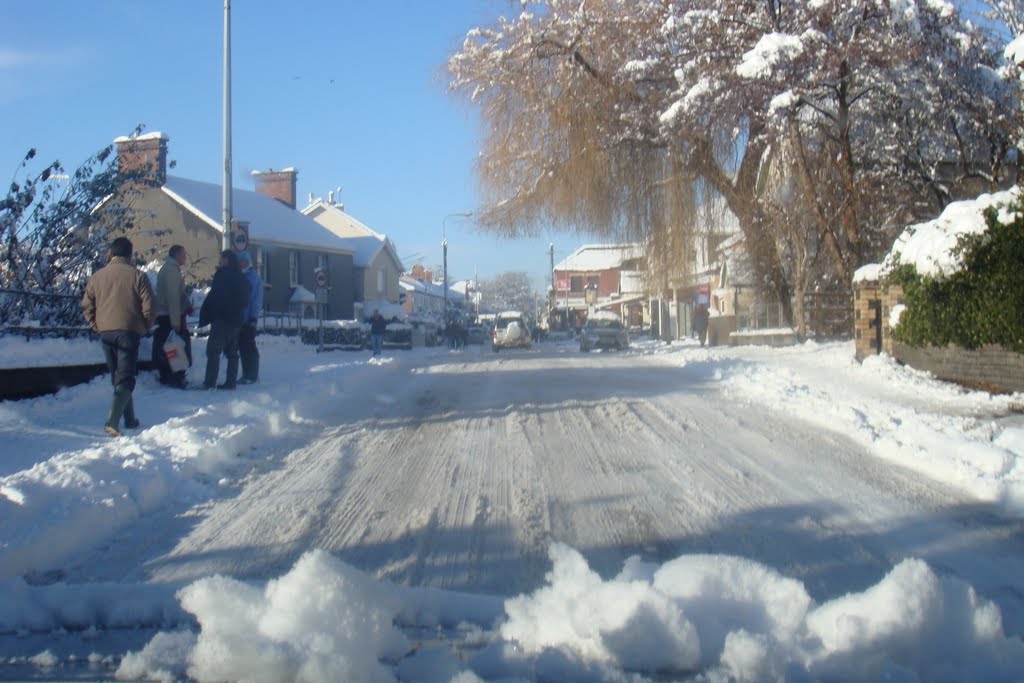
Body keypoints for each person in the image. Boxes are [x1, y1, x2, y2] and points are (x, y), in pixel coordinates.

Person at [81, 236, 156, 436]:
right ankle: (112, 421)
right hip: (129, 330)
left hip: (105, 331)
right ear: (130, 255)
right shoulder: (138, 276)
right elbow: (149, 306)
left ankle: (129, 419)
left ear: (111, 253)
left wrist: (95, 324)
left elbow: (87, 305)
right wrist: (145, 325)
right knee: (126, 375)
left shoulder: (97, 276)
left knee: (117, 376)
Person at [199, 250, 250, 389]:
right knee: (232, 352)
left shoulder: (222, 275)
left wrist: (211, 313)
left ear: (227, 260)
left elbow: (216, 296)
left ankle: (210, 382)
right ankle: (231, 381)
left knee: (214, 350)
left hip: (222, 318)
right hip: (237, 319)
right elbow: (245, 298)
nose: (219, 261)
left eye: (221, 259)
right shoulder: (241, 277)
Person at [153, 244, 191, 388]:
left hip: (166, 314)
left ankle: (169, 376)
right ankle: (175, 377)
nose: (185, 257)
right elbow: (173, 297)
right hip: (169, 315)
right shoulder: (172, 271)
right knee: (173, 345)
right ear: (176, 255)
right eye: (183, 254)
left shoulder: (170, 269)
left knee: (169, 345)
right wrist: (176, 321)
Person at [236, 251, 263, 384]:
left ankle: (252, 375)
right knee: (242, 347)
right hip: (238, 318)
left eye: (244, 261)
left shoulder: (254, 278)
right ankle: (246, 373)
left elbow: (256, 300)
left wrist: (253, 317)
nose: (242, 264)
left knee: (249, 347)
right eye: (240, 261)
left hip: (248, 319)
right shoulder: (238, 276)